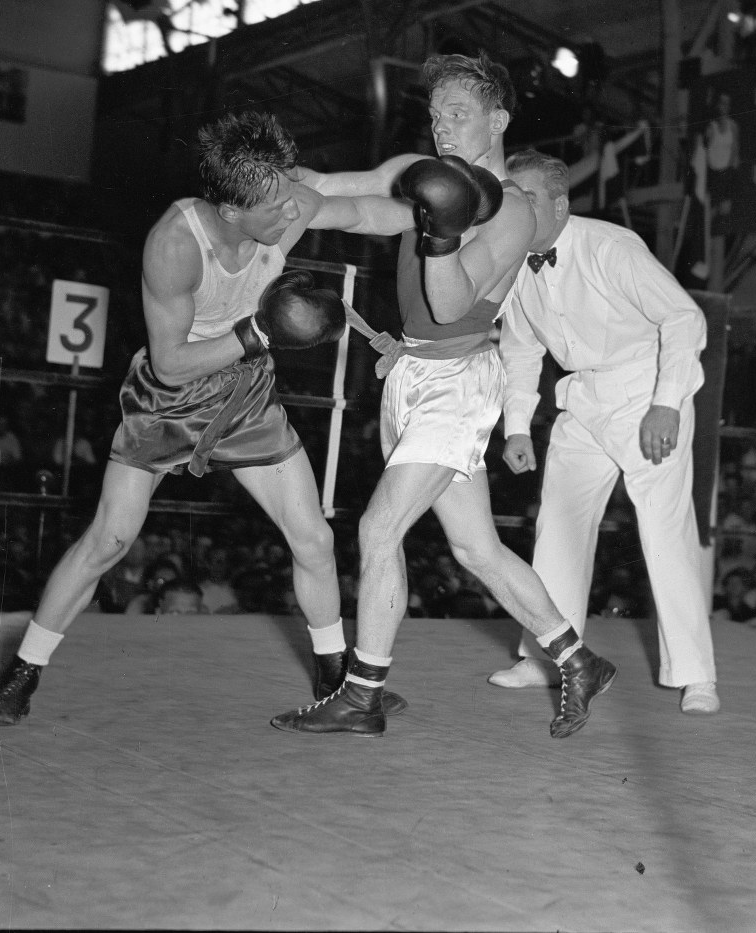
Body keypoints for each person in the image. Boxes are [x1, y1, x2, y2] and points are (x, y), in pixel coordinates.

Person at [0, 108, 419, 726]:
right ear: (231, 211)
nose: (295, 214)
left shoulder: (282, 198)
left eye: (292, 198)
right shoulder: (175, 244)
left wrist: (446, 216)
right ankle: (22, 674)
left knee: (313, 536)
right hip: (169, 398)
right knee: (109, 539)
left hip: (247, 393)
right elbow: (172, 362)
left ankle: (333, 675)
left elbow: (370, 208)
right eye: (279, 210)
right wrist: (261, 330)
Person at [271, 52, 617, 740]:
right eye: (434, 116)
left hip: (460, 383)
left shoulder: (511, 211)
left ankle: (362, 694)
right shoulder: (425, 174)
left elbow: (450, 296)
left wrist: (438, 227)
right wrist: (285, 191)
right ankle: (578, 659)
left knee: (378, 527)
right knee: (476, 549)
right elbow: (360, 200)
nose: (441, 128)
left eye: (456, 114)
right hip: (412, 375)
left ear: (498, 118)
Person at [487, 148, 720, 716]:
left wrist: (666, 405)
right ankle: (547, 659)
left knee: (665, 533)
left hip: (647, 392)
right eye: (508, 197)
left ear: (561, 205)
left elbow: (685, 318)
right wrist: (517, 427)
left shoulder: (610, 246)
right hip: (582, 402)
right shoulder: (516, 263)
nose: (513, 208)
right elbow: (520, 351)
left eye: (527, 198)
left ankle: (697, 677)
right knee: (558, 527)